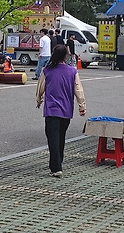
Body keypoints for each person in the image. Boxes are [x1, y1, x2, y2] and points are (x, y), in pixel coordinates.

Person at [35, 43, 87, 177]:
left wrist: (39, 100)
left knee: (52, 138)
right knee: (60, 137)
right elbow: (78, 89)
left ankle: (56, 167)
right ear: (65, 56)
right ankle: (58, 163)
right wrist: (82, 106)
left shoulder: (47, 70)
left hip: (51, 110)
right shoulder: (72, 71)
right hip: (66, 110)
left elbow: (40, 87)